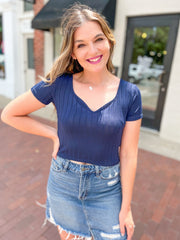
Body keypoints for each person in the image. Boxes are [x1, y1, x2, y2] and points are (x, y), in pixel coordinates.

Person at [1, 3, 143, 240]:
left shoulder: (130, 94)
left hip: (107, 189)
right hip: (63, 185)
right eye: (81, 45)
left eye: (98, 39)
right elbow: (9, 113)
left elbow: (129, 154)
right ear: (73, 52)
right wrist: (53, 134)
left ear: (109, 41)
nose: (93, 50)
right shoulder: (59, 84)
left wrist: (126, 207)